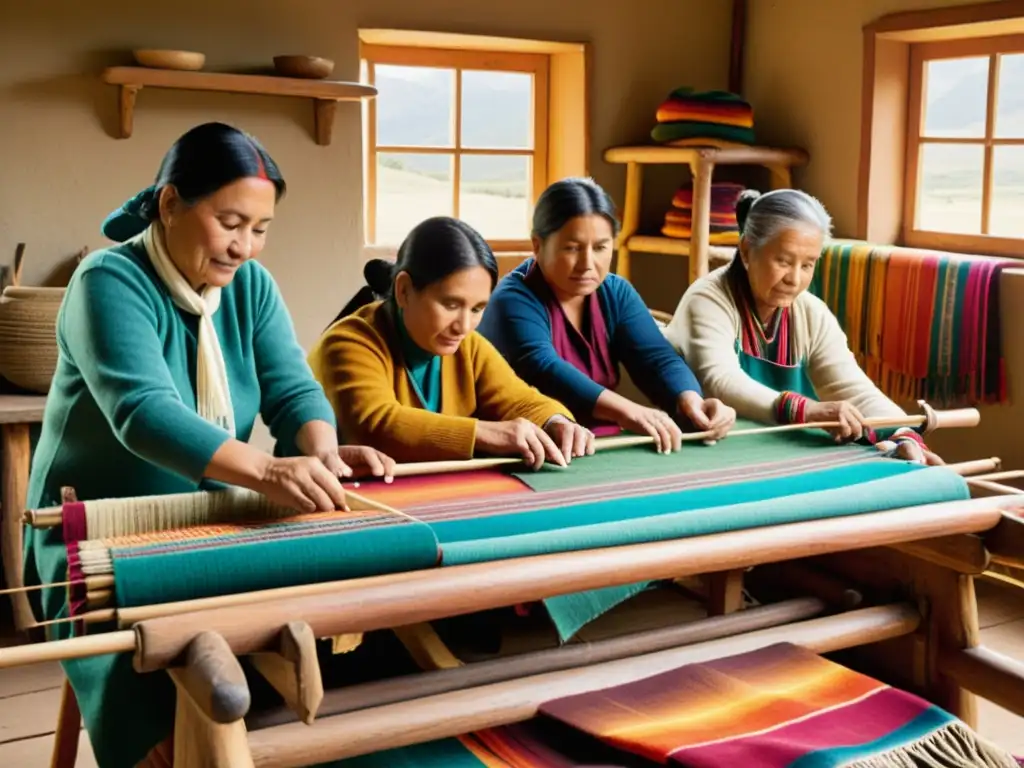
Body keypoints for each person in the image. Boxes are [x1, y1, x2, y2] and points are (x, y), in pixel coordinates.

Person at [22, 121, 395, 767]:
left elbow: (293, 390)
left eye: (260, 228)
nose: (244, 247)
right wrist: (269, 471)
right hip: (90, 535)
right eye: (230, 222)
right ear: (170, 204)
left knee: (330, 620)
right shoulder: (107, 281)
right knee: (159, 671)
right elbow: (143, 412)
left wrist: (322, 451)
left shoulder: (251, 288)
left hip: (207, 514)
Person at [663, 188, 943, 464]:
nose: (794, 279)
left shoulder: (811, 313)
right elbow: (720, 381)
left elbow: (854, 390)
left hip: (775, 456)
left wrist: (902, 433)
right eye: (783, 261)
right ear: (747, 251)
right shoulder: (708, 299)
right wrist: (805, 409)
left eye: (808, 265)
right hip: (704, 455)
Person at [310, 216, 595, 469]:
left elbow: (519, 399)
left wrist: (555, 421)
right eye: (450, 304)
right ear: (404, 290)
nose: (463, 326)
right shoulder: (347, 343)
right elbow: (376, 427)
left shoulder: (466, 345)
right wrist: (486, 433)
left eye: (476, 309)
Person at [476, 177, 735, 453]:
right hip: (529, 450)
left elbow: (656, 358)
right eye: (572, 248)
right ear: (537, 246)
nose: (588, 264)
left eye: (600, 247)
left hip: (602, 445)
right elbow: (544, 366)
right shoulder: (511, 300)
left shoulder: (615, 292)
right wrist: (628, 412)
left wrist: (690, 400)